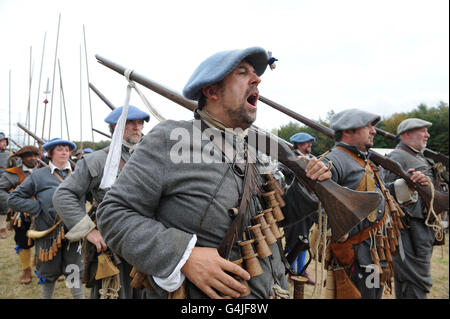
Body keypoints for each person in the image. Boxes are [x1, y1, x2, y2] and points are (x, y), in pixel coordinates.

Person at [96, 47, 331, 299]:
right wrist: (183, 256)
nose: (257, 79)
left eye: (255, 74)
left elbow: (272, 219)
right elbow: (113, 214)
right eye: (242, 73)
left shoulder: (252, 145)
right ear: (211, 91)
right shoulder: (169, 138)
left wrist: (307, 187)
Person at [322, 109, 429, 299]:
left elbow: (378, 195)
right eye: (368, 126)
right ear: (348, 131)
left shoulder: (364, 159)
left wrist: (407, 185)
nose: (374, 131)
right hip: (355, 254)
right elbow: (321, 206)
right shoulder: (334, 160)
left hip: (372, 253)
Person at [52, 105, 150, 299]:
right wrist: (89, 230)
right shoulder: (96, 160)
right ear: (115, 127)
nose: (137, 127)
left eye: (139, 123)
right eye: (130, 123)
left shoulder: (151, 156)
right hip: (114, 248)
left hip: (148, 244)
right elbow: (63, 195)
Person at [8, 138, 85, 299]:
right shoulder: (38, 176)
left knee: (74, 271)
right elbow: (13, 199)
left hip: (75, 232)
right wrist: (37, 209)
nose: (64, 152)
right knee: (48, 274)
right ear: (50, 154)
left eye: (67, 149)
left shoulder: (80, 173)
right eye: (60, 149)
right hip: (47, 234)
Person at [382, 118, 443, 299]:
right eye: (423, 131)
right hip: (409, 229)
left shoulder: (418, 155)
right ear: (407, 134)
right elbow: (383, 189)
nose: (428, 135)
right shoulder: (398, 156)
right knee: (416, 280)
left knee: (411, 282)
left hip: (422, 228)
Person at [0, 145, 40, 283]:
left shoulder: (44, 170)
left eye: (35, 155)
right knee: (24, 243)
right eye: (29, 155)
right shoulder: (13, 173)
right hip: (22, 216)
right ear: (22, 158)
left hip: (43, 213)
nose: (33, 158)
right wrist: (15, 204)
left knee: (46, 241)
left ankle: (44, 268)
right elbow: (1, 190)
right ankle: (26, 270)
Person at [283, 132, 318, 284]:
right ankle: (291, 272)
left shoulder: (312, 159)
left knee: (304, 240)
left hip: (308, 207)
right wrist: (297, 166)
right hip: (294, 206)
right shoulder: (289, 158)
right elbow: (281, 174)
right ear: (299, 144)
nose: (309, 145)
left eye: (310, 142)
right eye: (306, 143)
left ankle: (302, 271)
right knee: (293, 241)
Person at [0, 132, 15, 238]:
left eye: (5, 141)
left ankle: (2, 228)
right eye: (2, 141)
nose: (4, 143)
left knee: (4, 205)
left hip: (4, 183)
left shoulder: (9, 155)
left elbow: (15, 167)